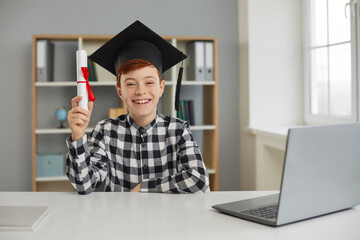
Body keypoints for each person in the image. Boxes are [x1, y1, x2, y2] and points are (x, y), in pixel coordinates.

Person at [65, 20, 210, 194]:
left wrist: (144, 188)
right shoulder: (106, 131)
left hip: (167, 219)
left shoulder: (178, 129)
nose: (141, 91)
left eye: (149, 82)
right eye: (131, 84)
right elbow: (85, 186)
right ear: (120, 91)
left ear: (161, 87)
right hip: (118, 218)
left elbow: (199, 181)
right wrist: (78, 136)